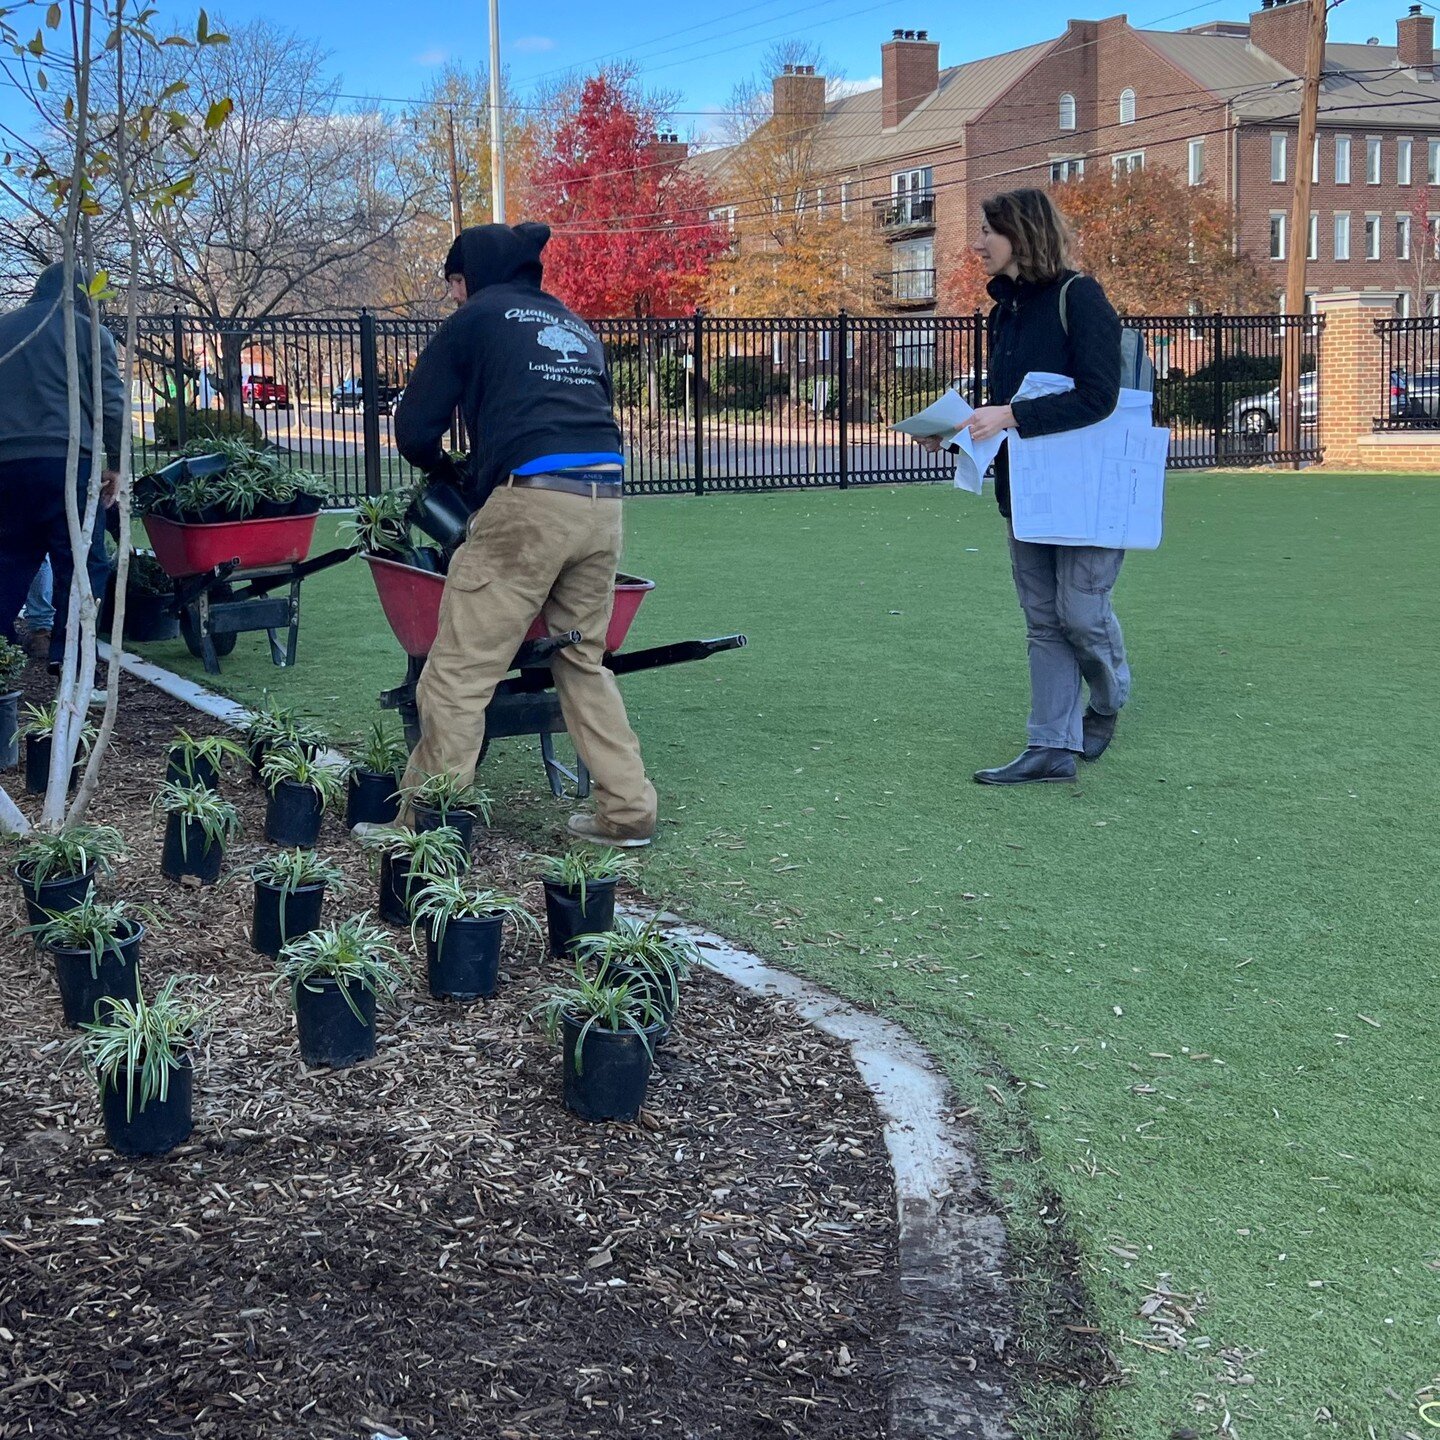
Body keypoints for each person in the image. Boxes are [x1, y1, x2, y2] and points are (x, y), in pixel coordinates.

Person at [393, 222, 657, 847]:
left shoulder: (476, 316)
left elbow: (414, 428)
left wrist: (446, 470)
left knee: (457, 671)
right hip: (603, 501)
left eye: (452, 286)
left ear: (465, 278)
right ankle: (627, 812)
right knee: (581, 659)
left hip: (531, 505)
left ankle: (430, 824)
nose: (453, 298)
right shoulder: (574, 325)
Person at [925, 189, 1129, 786]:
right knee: (1043, 619)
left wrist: (1010, 416)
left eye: (988, 230)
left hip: (1087, 492)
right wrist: (955, 435)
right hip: (1027, 491)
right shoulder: (1003, 312)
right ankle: (1052, 748)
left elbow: (1099, 396)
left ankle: (1110, 698)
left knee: (1081, 614)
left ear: (1022, 232)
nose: (977, 242)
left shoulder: (1079, 297)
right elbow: (1000, 410)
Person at [0, 262, 121, 668]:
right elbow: (113, 404)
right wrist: (117, 465)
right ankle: (69, 654)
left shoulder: (5, 329)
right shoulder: (90, 335)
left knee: (11, 560)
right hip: (67, 462)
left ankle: (2, 650)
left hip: (7, 465)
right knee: (83, 562)